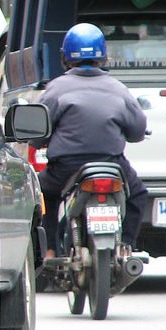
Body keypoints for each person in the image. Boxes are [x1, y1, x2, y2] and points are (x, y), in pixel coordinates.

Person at [32, 22, 148, 263]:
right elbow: (137, 131)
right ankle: (126, 245)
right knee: (138, 194)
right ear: (103, 56)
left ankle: (50, 251)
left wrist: (40, 140)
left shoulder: (55, 89)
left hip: (66, 168)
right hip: (111, 164)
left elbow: (38, 132)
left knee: (44, 194)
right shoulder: (118, 89)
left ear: (65, 57)